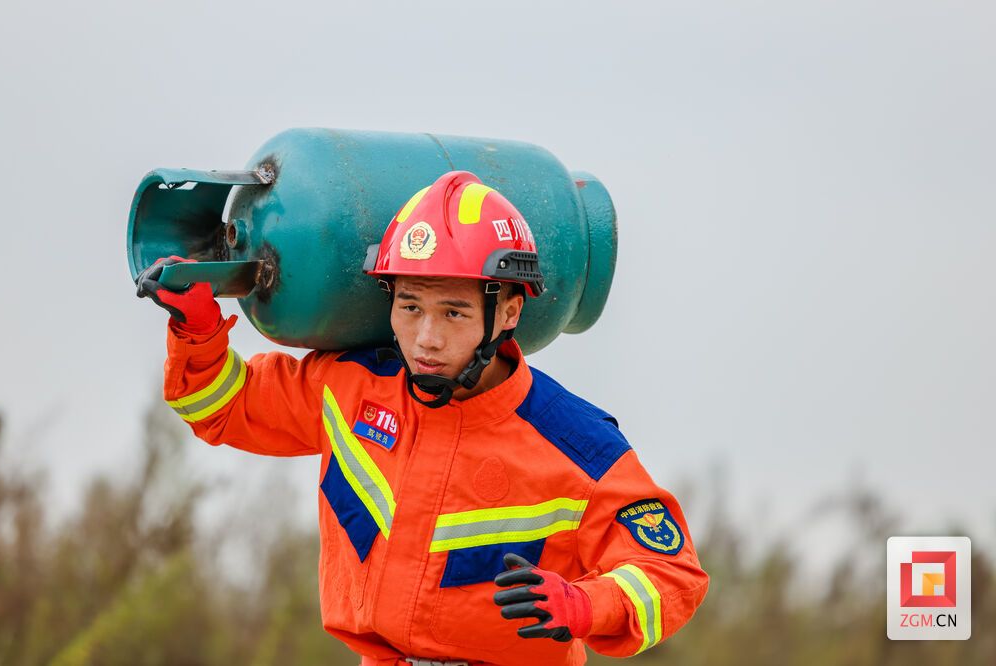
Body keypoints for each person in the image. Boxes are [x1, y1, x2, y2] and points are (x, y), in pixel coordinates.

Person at [136, 171, 709, 666]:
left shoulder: (579, 446)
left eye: (454, 312)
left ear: (508, 311)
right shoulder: (347, 387)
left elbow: (672, 577)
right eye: (409, 306)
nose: (426, 339)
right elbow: (220, 407)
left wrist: (588, 605)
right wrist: (198, 328)